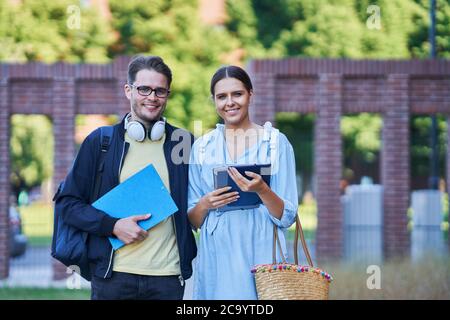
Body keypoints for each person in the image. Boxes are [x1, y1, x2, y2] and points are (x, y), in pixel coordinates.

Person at [55, 55, 197, 300]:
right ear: (128, 90)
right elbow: (68, 205)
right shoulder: (101, 142)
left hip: (168, 279)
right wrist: (113, 226)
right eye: (144, 89)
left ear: (167, 95)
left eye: (160, 91)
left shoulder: (182, 143)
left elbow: (196, 205)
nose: (152, 97)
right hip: (113, 278)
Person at [187, 65, 298, 299]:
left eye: (237, 94)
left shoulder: (275, 143)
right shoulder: (202, 147)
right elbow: (193, 220)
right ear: (214, 101)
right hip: (218, 261)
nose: (230, 102)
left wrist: (262, 190)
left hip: (262, 255)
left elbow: (287, 217)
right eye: (221, 96)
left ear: (250, 94)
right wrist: (206, 203)